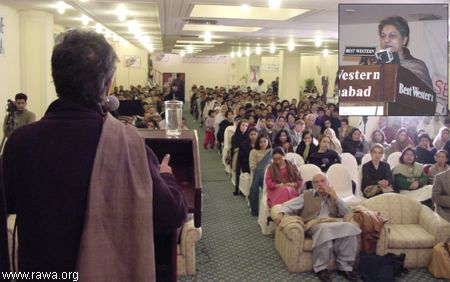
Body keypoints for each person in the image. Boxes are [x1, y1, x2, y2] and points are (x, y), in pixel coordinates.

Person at [2, 30, 187, 280]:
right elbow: (171, 214)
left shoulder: (19, 142)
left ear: (56, 78)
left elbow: (10, 204)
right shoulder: (128, 143)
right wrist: (167, 177)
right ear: (108, 84)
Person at [274, 173, 361, 282]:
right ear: (313, 185)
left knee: (350, 228)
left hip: (332, 222)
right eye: (316, 182)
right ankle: (321, 268)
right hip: (314, 224)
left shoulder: (333, 196)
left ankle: (345, 267)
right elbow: (288, 205)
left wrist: (336, 198)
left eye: (322, 181)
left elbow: (348, 212)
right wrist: (281, 213)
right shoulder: (306, 195)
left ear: (328, 183)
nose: (320, 184)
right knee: (324, 229)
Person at [378, 16, 433, 88]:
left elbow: (426, 95)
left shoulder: (417, 66)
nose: (386, 40)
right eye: (383, 36)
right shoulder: (376, 66)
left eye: (392, 35)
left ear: (404, 40)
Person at [235, 128, 258, 195]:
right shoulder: (244, 145)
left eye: (255, 134)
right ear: (248, 135)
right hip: (247, 166)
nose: (253, 136)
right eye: (251, 134)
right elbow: (241, 159)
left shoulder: (260, 144)